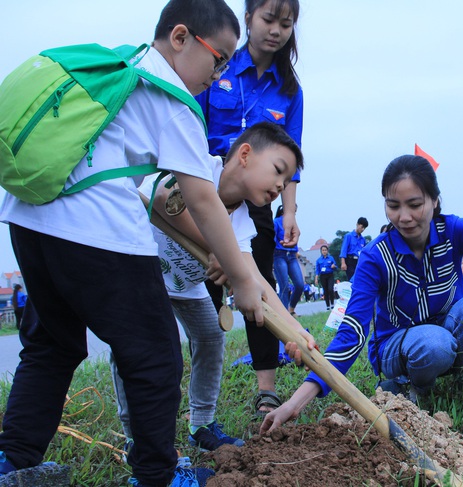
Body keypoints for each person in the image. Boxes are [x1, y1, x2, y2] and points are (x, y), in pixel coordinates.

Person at [0, 1, 264, 485]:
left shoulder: (120, 66)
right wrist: (245, 282)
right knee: (156, 354)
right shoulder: (171, 97)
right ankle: (158, 477)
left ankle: (11, 461)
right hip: (94, 228)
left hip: (28, 218)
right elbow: (201, 198)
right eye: (219, 58)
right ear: (181, 38)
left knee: (52, 346)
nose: (220, 74)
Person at [261, 153, 463, 432]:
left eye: (415, 204)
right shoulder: (375, 257)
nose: (404, 217)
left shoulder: (452, 231)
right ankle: (410, 389)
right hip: (398, 349)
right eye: (393, 206)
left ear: (434, 201)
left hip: (444, 335)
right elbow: (352, 333)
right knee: (434, 343)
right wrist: (295, 402)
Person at [110, 122, 313, 455]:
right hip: (144, 274)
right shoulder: (200, 168)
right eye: (278, 171)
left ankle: (201, 423)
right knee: (139, 348)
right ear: (245, 154)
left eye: (287, 179)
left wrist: (296, 331)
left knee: (210, 337)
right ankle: (135, 436)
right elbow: (164, 200)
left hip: (187, 288)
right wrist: (221, 250)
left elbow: (256, 280)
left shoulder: (244, 221)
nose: (281, 185)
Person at [195, 0, 303, 417]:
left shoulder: (290, 90)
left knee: (257, 284)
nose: (276, 30)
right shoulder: (217, 67)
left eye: (286, 24)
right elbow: (192, 125)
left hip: (253, 203)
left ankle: (267, 387)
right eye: (268, 19)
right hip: (202, 189)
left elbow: (290, 162)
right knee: (204, 299)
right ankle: (203, 401)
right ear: (249, 18)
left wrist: (287, 212)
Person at [273, 205, 305, 316]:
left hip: (292, 255)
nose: (294, 214)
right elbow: (272, 240)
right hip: (279, 255)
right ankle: (284, 314)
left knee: (300, 284)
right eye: (293, 211)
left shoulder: (293, 223)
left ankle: (291, 309)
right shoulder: (276, 222)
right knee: (284, 286)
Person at [314, 244, 336, 310]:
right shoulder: (318, 260)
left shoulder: (331, 258)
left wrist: (334, 266)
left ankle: (332, 303)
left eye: (325, 250)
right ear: (321, 251)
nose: (324, 251)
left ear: (327, 251)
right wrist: (316, 279)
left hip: (330, 275)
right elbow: (317, 270)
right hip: (323, 276)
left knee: (330, 289)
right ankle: (327, 305)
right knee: (325, 291)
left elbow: (335, 266)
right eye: (323, 250)